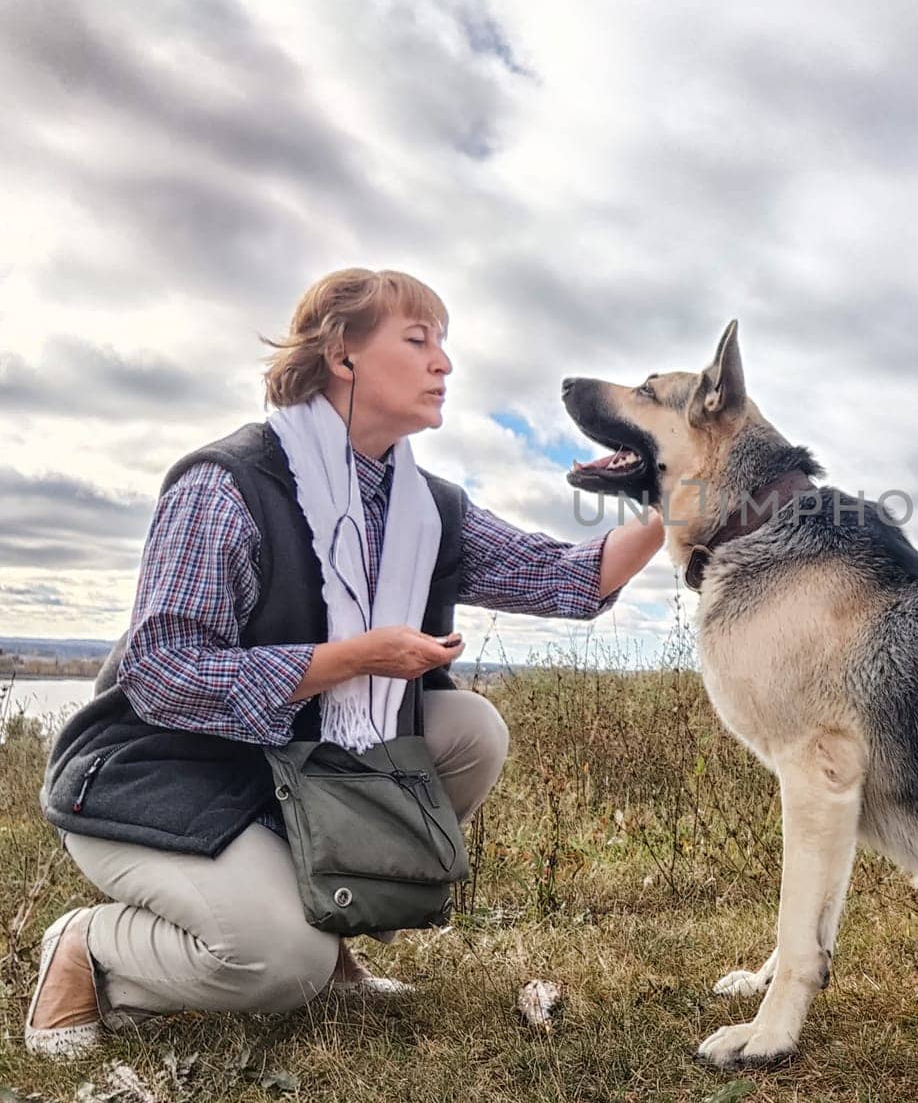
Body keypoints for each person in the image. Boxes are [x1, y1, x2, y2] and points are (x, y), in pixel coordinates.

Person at [26, 269, 663, 1058]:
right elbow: (162, 673)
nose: (445, 365)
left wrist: (683, 489)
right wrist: (346, 660)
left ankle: (326, 939)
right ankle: (92, 948)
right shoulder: (225, 485)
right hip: (156, 776)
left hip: (286, 772)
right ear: (342, 355)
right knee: (273, 962)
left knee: (469, 728)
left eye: (444, 344)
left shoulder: (423, 506)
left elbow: (567, 578)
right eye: (419, 340)